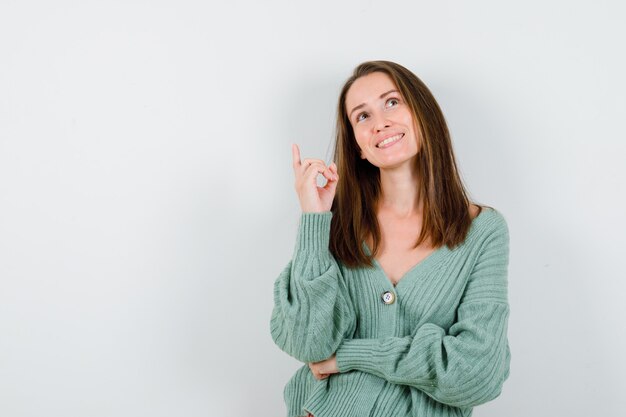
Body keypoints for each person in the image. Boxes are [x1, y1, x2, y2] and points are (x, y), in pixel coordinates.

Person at [270, 60, 511, 417]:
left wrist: (351, 356)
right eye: (362, 116)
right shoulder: (334, 226)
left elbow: (476, 375)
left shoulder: (483, 232)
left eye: (392, 102)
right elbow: (308, 343)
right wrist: (313, 219)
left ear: (422, 116)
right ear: (359, 148)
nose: (380, 122)